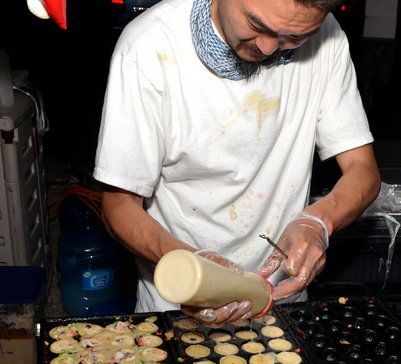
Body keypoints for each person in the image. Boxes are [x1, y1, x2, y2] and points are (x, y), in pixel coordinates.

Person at [94, 0, 381, 325]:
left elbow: (363, 170)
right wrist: (192, 266)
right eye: (257, 24)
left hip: (281, 302)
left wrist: (318, 223)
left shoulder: (328, 38)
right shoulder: (148, 45)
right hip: (177, 302)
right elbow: (119, 203)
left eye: (294, 38)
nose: (268, 47)